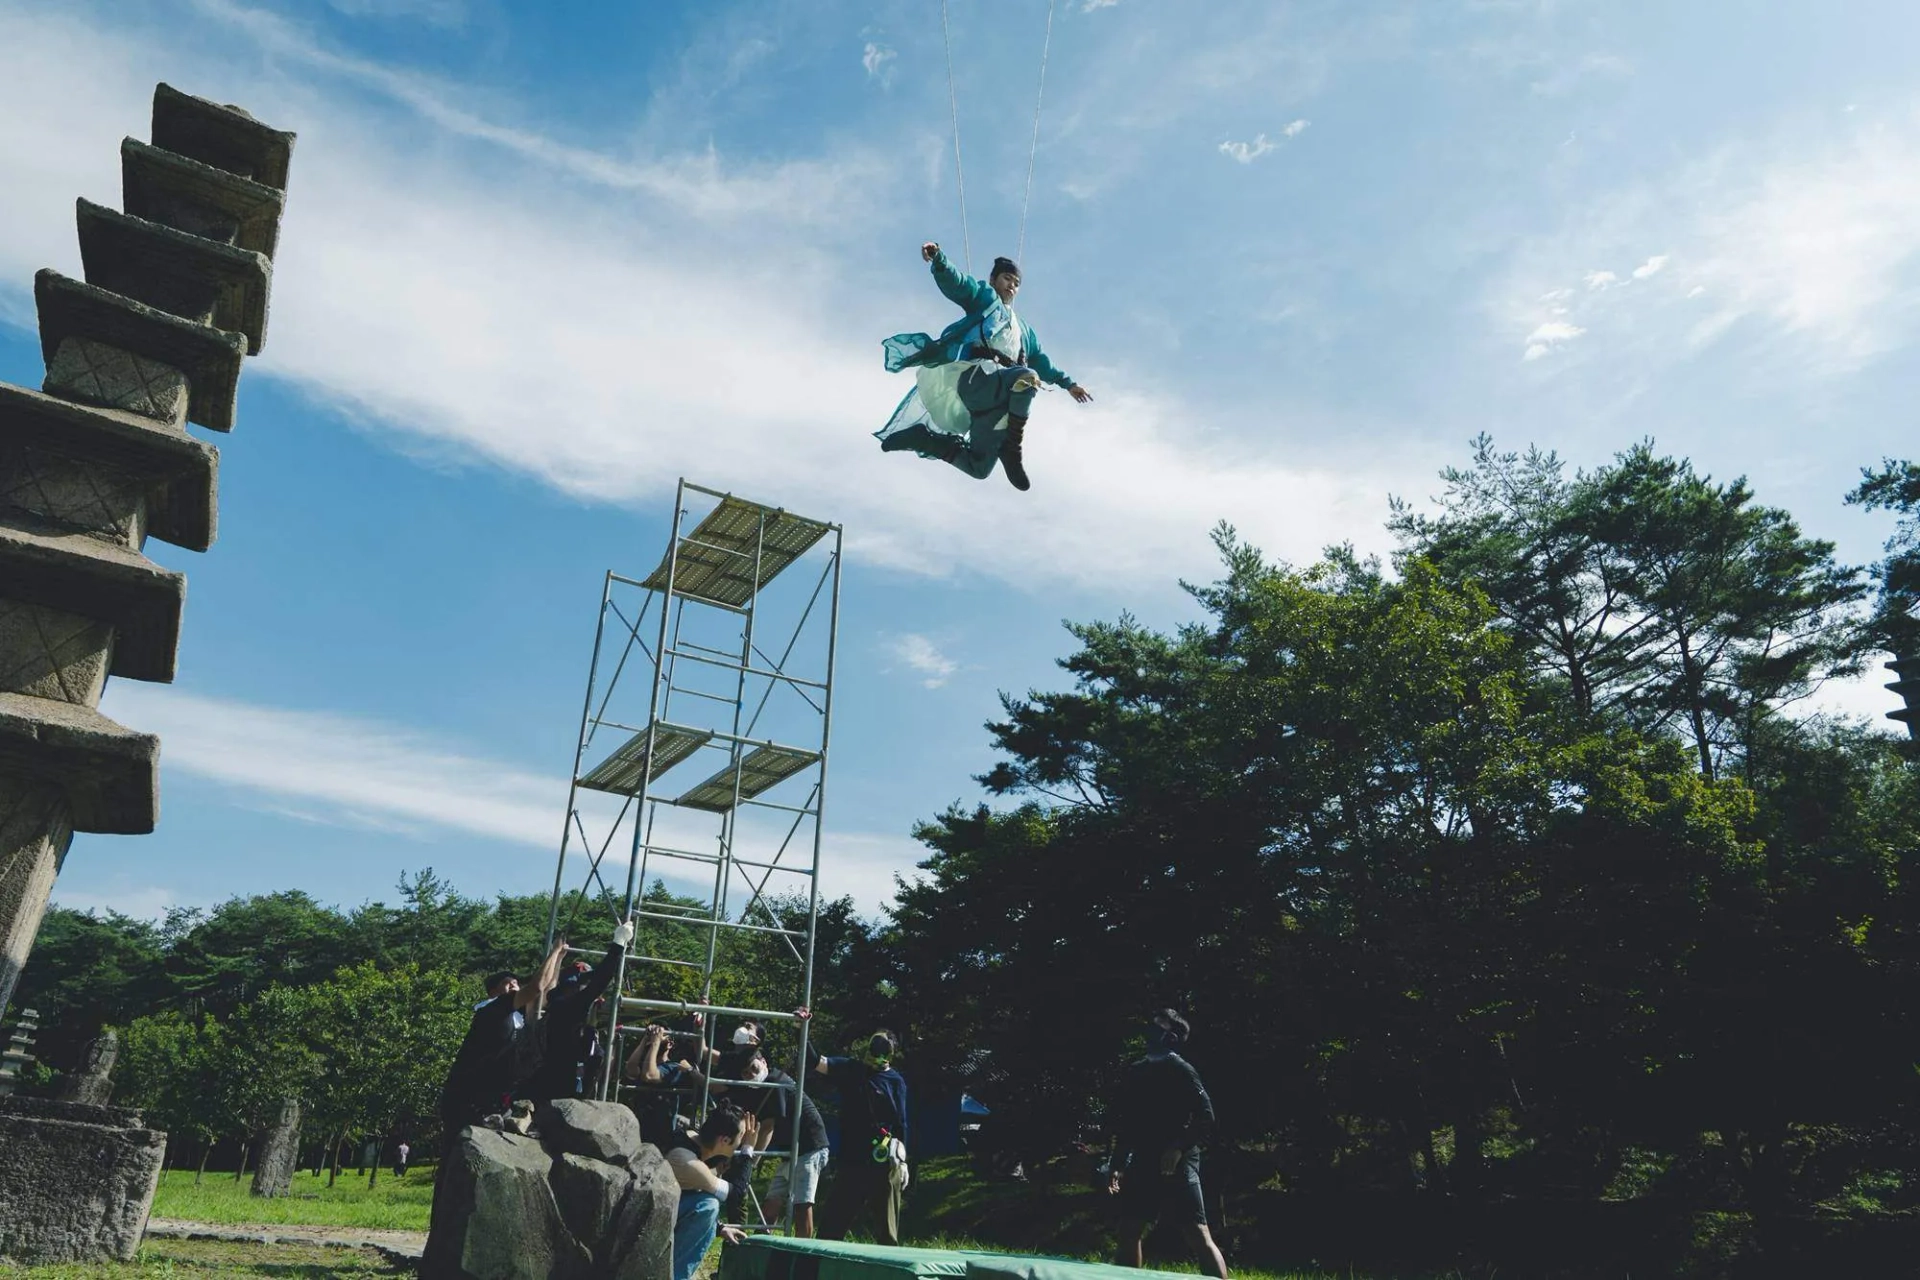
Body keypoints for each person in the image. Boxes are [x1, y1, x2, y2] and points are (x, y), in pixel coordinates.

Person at [876, 243, 1093, 492]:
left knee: (980, 468)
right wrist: (939, 260)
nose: (1011, 285)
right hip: (976, 380)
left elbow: (1043, 361)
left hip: (995, 406)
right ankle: (1012, 448)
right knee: (1027, 378)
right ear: (994, 280)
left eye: (1016, 282)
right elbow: (958, 284)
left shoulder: (1024, 330)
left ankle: (923, 440)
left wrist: (1070, 385)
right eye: (1006, 278)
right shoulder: (986, 300)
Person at [1107, 1009, 1228, 1279]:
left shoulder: (1182, 1070)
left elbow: (1206, 1117)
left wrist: (1178, 1148)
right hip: (1143, 1158)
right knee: (1129, 1230)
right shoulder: (1137, 1071)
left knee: (1197, 1234)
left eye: (1157, 1027)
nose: (1150, 1032)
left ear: (1171, 1038)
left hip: (1177, 1160)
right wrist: (1117, 1163)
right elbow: (1128, 1123)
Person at [436, 939, 568, 1137]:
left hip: (494, 1097)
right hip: (467, 1096)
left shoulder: (517, 1015)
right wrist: (554, 950)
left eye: (516, 983)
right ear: (493, 991)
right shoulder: (491, 1009)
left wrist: (558, 960)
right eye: (508, 983)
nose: (515, 986)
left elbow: (546, 994)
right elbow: (536, 987)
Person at [706, 1042, 833, 1237]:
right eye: (745, 1073)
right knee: (769, 1205)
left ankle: (803, 1257)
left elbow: (767, 1127)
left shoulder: (775, 1081)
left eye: (754, 1068)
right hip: (789, 1153)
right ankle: (764, 1249)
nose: (751, 1074)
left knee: (801, 1205)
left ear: (763, 1062)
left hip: (810, 1147)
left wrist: (751, 1162)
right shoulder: (758, 1088)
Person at [804, 1020, 909, 1245]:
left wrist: (903, 1161)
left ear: (891, 1052)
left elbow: (901, 1124)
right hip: (852, 1162)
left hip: (884, 1161)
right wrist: (802, 1029)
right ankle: (815, 1271)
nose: (876, 1051)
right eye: (875, 1045)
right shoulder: (851, 1069)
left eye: (883, 1047)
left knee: (888, 1234)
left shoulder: (896, 1082)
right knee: (831, 1230)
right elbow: (814, 1061)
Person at [521, 918, 633, 1102]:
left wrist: (557, 957)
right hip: (559, 1087)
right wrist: (618, 944)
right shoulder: (571, 1008)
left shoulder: (556, 1005)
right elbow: (600, 981)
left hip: (541, 1080)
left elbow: (552, 986)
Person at [664, 1104, 758, 1280]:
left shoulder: (691, 1139)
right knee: (709, 1204)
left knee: (707, 1206)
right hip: (650, 1217)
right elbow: (736, 1194)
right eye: (742, 1136)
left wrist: (719, 1227)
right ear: (724, 1140)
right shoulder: (688, 1162)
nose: (744, 1140)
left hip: (664, 1207)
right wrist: (747, 1151)